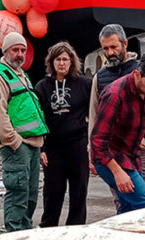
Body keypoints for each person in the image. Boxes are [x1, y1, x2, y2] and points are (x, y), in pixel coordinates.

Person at [88, 24, 145, 210]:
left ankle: (122, 238)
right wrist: (117, 172)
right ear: (138, 76)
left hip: (135, 150)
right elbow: (97, 139)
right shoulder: (113, 92)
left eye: (113, 47)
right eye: (105, 48)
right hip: (109, 155)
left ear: (125, 44)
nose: (110, 52)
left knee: (130, 204)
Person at [0, 32, 48, 232]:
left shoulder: (22, 75)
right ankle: (14, 233)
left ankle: (25, 230)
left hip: (32, 144)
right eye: (15, 50)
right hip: (17, 145)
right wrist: (13, 141)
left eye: (23, 50)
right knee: (18, 191)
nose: (19, 54)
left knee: (30, 194)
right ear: (5, 51)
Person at [35, 42, 91, 227]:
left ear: (72, 62)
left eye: (65, 59)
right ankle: (48, 227)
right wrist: (41, 148)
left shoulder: (84, 84)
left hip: (77, 143)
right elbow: (38, 118)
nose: (62, 63)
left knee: (79, 188)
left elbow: (96, 108)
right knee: (53, 190)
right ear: (52, 62)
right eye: (58, 59)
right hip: (53, 146)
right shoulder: (42, 86)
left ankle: (76, 226)